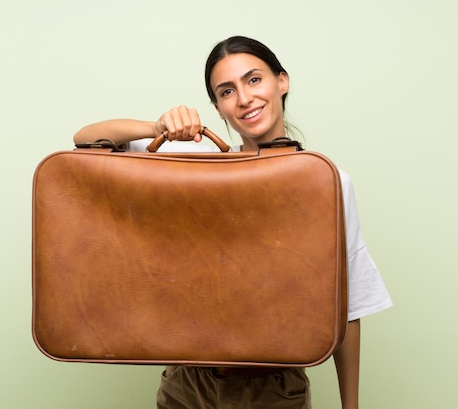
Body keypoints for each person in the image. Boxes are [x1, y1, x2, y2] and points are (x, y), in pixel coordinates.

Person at [74, 36, 392, 409]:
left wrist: (349, 406)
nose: (244, 98)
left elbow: (350, 303)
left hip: (272, 389)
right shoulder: (195, 165)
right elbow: (85, 140)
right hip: (185, 384)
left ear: (282, 82)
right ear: (219, 108)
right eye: (227, 91)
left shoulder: (324, 179)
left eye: (254, 80)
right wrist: (156, 125)